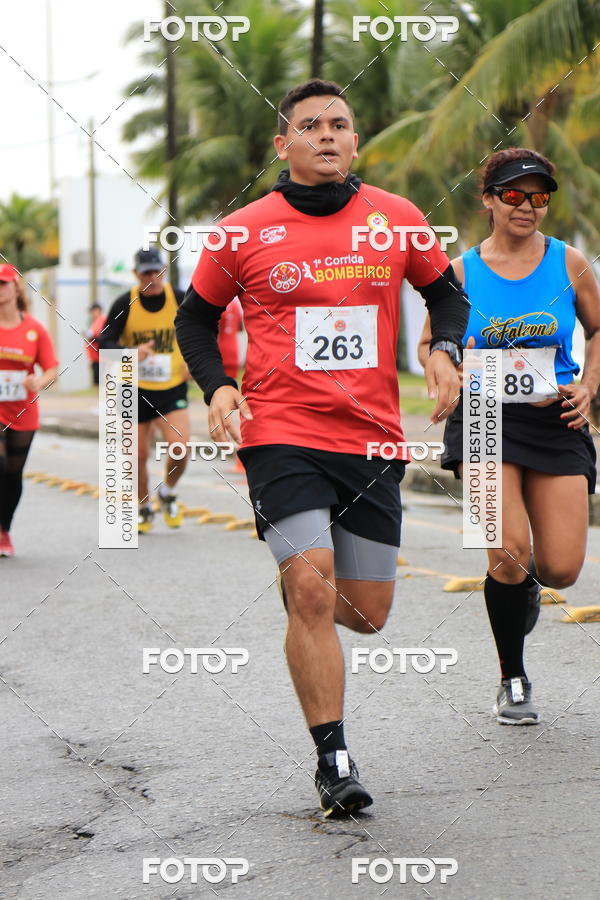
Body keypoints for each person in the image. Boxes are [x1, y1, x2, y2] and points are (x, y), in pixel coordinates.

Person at [176, 79, 469, 817]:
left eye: (341, 124)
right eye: (311, 126)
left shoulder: (396, 220)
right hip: (280, 434)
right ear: (284, 144)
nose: (329, 135)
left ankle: (303, 585)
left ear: (355, 140)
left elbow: (447, 294)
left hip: (370, 437)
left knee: (366, 612)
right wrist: (216, 388)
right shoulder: (241, 229)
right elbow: (195, 320)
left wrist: (446, 349)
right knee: (312, 591)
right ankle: (333, 758)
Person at [418, 148, 600, 726]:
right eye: (514, 195)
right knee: (507, 551)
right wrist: (443, 369)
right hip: (482, 416)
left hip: (555, 419)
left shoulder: (569, 262)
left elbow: (599, 329)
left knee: (564, 568)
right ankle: (512, 677)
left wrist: (589, 387)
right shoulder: (461, 272)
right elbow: (429, 344)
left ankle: (520, 589)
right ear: (489, 200)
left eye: (540, 196)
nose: (528, 206)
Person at [100, 248, 189, 533]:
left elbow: (201, 331)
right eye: (146, 272)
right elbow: (103, 343)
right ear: (135, 274)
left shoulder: (179, 297)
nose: (152, 277)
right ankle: (143, 505)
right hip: (133, 387)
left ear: (163, 270)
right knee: (137, 456)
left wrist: (194, 363)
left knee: (180, 448)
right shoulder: (124, 302)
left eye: (156, 271)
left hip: (171, 384)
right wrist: (130, 351)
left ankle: (168, 492)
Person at [0, 263, 58, 556]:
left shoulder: (33, 328)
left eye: (3, 284)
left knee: (13, 475)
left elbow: (52, 368)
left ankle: (4, 530)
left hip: (23, 412)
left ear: (15, 288)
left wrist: (38, 381)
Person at [84, 303, 106, 387]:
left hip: (102, 357)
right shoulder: (95, 322)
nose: (92, 314)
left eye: (93, 311)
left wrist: (93, 338)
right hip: (95, 358)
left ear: (98, 310)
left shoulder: (103, 320)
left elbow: (104, 337)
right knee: (97, 382)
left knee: (102, 382)